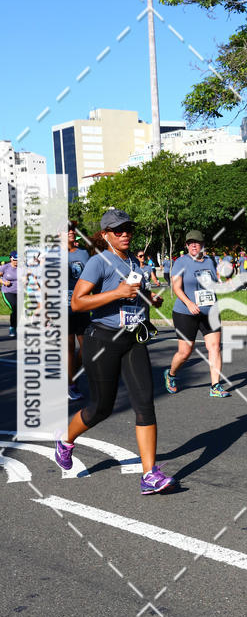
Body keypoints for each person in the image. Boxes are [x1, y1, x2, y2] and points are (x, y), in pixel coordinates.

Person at [55, 209, 174, 494]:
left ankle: (149, 474)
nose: (125, 234)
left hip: (133, 339)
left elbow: (135, 293)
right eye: (118, 230)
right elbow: (77, 303)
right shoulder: (98, 262)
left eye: (128, 229)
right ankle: (66, 440)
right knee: (101, 408)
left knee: (145, 403)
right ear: (106, 234)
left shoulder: (133, 260)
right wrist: (117, 294)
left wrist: (150, 298)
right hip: (103, 340)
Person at [164, 229, 231, 397]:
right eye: (190, 243)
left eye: (197, 242)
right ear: (186, 246)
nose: (194, 245)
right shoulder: (180, 262)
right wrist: (189, 303)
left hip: (210, 311)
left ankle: (215, 386)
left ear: (203, 245)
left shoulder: (211, 261)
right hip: (185, 312)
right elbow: (176, 288)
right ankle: (171, 374)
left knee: (214, 347)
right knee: (186, 351)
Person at [67, 221, 90, 401]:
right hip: (63, 307)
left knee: (86, 347)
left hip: (82, 305)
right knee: (68, 347)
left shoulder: (83, 253)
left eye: (72, 230)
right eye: (66, 230)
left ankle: (70, 376)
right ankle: (70, 385)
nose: (71, 232)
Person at [0, 250, 19, 338]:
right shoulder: (5, 267)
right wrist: (3, 282)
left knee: (18, 310)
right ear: (11, 258)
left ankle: (15, 326)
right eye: (15, 259)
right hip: (7, 291)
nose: (16, 261)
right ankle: (12, 327)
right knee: (14, 306)